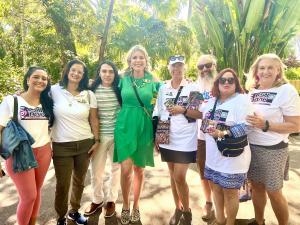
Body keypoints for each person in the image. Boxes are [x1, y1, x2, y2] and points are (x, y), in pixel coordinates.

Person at [245, 54, 300, 225]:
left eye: (270, 68)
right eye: (262, 68)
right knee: (257, 188)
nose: (266, 71)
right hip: (251, 147)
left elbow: (296, 125)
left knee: (274, 191)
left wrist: (266, 124)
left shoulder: (286, 90)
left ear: (278, 71)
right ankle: (259, 221)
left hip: (273, 149)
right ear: (256, 71)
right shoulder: (253, 91)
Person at [0, 66, 54, 225]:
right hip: (20, 153)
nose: (40, 80)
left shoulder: (47, 102)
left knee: (36, 192)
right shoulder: (12, 100)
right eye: (36, 77)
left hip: (44, 151)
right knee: (28, 196)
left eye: (44, 78)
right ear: (28, 79)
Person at [113, 45, 160, 225]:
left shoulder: (154, 82)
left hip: (144, 126)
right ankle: (125, 205)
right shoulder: (122, 80)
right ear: (130, 61)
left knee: (139, 169)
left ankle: (136, 206)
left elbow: (161, 105)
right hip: (125, 126)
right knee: (125, 170)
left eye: (141, 57)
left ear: (146, 60)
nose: (138, 60)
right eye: (134, 58)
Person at [201, 68, 253, 225]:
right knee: (215, 189)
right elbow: (204, 121)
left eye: (230, 80)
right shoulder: (212, 101)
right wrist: (208, 127)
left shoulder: (242, 100)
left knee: (230, 194)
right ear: (217, 83)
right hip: (212, 156)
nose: (226, 83)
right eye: (222, 80)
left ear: (236, 83)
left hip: (232, 158)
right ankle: (220, 219)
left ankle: (230, 223)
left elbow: (248, 126)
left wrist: (222, 133)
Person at [155, 55, 202, 225]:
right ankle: (178, 207)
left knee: (179, 176)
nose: (177, 69)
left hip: (186, 140)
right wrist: (158, 137)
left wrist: (182, 109)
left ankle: (187, 211)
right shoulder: (163, 88)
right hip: (167, 137)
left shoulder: (193, 87)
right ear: (170, 68)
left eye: (180, 66)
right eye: (174, 66)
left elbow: (199, 114)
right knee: (172, 175)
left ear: (185, 68)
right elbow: (160, 112)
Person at [51, 59, 99, 225]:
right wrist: (20, 95)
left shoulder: (89, 94)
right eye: (73, 70)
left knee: (79, 181)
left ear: (83, 75)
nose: (76, 73)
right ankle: (61, 217)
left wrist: (97, 140)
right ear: (67, 71)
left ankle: (74, 212)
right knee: (62, 185)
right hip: (61, 146)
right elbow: (35, 97)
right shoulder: (54, 90)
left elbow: (93, 119)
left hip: (85, 144)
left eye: (80, 72)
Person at [84, 60, 121, 218]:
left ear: (115, 74)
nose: (107, 74)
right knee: (96, 171)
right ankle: (97, 199)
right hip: (98, 137)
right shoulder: (91, 90)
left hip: (118, 136)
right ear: (99, 73)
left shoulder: (119, 89)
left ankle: (111, 200)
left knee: (116, 169)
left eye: (110, 72)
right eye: (104, 71)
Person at [196, 54, 217, 221]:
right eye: (200, 67)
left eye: (207, 65)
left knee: (221, 171)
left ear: (214, 65)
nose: (204, 69)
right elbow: (192, 112)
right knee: (203, 172)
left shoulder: (225, 83)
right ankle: (209, 202)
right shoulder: (195, 88)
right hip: (201, 137)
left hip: (221, 136)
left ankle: (220, 203)